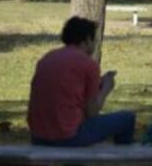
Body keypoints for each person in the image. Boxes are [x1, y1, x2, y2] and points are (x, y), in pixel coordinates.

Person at [27, 16, 135, 146]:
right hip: (68, 136)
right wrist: (106, 87)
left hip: (38, 136)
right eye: (94, 40)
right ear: (87, 40)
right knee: (127, 118)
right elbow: (92, 112)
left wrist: (97, 84)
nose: (95, 44)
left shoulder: (47, 58)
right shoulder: (88, 64)